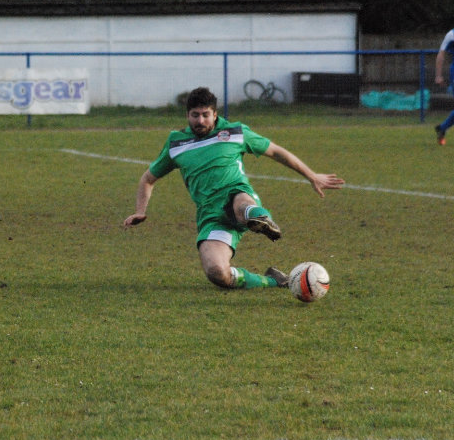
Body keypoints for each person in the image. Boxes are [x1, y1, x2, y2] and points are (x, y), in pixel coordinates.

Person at [123, 87, 345, 291]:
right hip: (211, 216)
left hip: (236, 194)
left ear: (215, 114)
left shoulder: (235, 132)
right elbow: (148, 179)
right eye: (195, 115)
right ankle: (274, 280)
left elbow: (276, 151)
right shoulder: (176, 143)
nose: (200, 120)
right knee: (217, 273)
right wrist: (140, 211)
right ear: (187, 115)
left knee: (241, 206)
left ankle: (261, 219)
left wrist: (311, 175)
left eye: (205, 115)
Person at [434, 28, 454, 145]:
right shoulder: (451, 34)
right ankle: (442, 128)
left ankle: (442, 128)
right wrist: (438, 75)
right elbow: (441, 54)